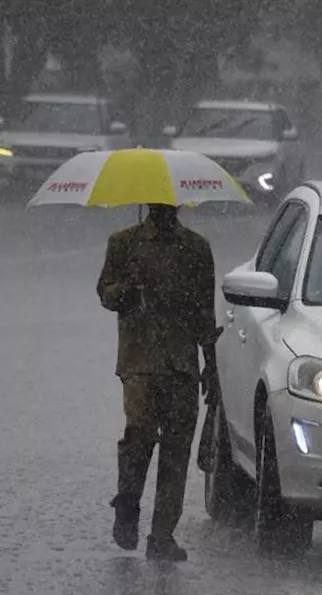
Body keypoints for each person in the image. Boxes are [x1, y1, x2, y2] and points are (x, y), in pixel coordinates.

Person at [96, 203, 221, 561]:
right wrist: (127, 292)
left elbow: (204, 310)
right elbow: (105, 292)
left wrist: (210, 365)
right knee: (139, 436)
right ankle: (128, 503)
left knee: (177, 452)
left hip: (181, 363)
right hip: (139, 361)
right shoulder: (123, 243)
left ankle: (162, 534)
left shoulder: (196, 248)